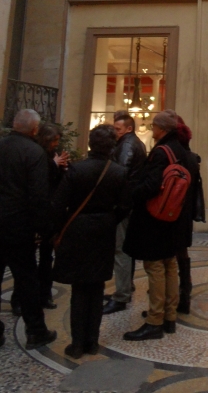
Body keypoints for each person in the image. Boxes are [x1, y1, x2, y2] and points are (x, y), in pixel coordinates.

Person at [52, 125, 127, 358]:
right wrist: (109, 219)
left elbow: (58, 203)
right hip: (103, 230)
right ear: (112, 147)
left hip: (78, 229)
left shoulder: (76, 170)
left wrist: (59, 228)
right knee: (97, 286)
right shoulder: (119, 172)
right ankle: (92, 342)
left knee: (79, 288)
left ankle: (77, 344)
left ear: (90, 144)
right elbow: (126, 205)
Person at [123, 111, 189, 341]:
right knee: (170, 264)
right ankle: (169, 316)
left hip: (155, 218)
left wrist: (131, 193)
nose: (152, 129)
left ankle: (154, 321)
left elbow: (151, 185)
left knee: (155, 267)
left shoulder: (162, 151)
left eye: (154, 126)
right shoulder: (181, 149)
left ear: (162, 129)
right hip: (173, 216)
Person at [0, 109, 56, 350]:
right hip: (19, 226)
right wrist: (41, 229)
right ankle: (36, 331)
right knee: (27, 279)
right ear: (35, 129)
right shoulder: (34, 152)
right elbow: (38, 196)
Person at [103, 111, 146, 315]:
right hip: (131, 202)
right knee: (125, 247)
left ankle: (121, 295)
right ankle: (126, 286)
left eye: (117, 129)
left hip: (124, 203)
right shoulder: (134, 142)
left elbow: (120, 172)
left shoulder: (127, 145)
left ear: (128, 129)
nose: (115, 132)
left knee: (120, 249)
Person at [169, 112, 201, 315]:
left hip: (171, 211)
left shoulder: (171, 156)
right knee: (181, 253)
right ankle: (184, 293)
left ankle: (170, 298)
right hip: (185, 211)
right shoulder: (190, 157)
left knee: (168, 255)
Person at [36, 124, 68, 309]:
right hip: (39, 212)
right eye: (54, 140)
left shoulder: (51, 155)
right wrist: (55, 165)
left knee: (47, 257)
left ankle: (45, 294)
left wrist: (62, 167)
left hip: (50, 213)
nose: (56, 144)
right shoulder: (39, 155)